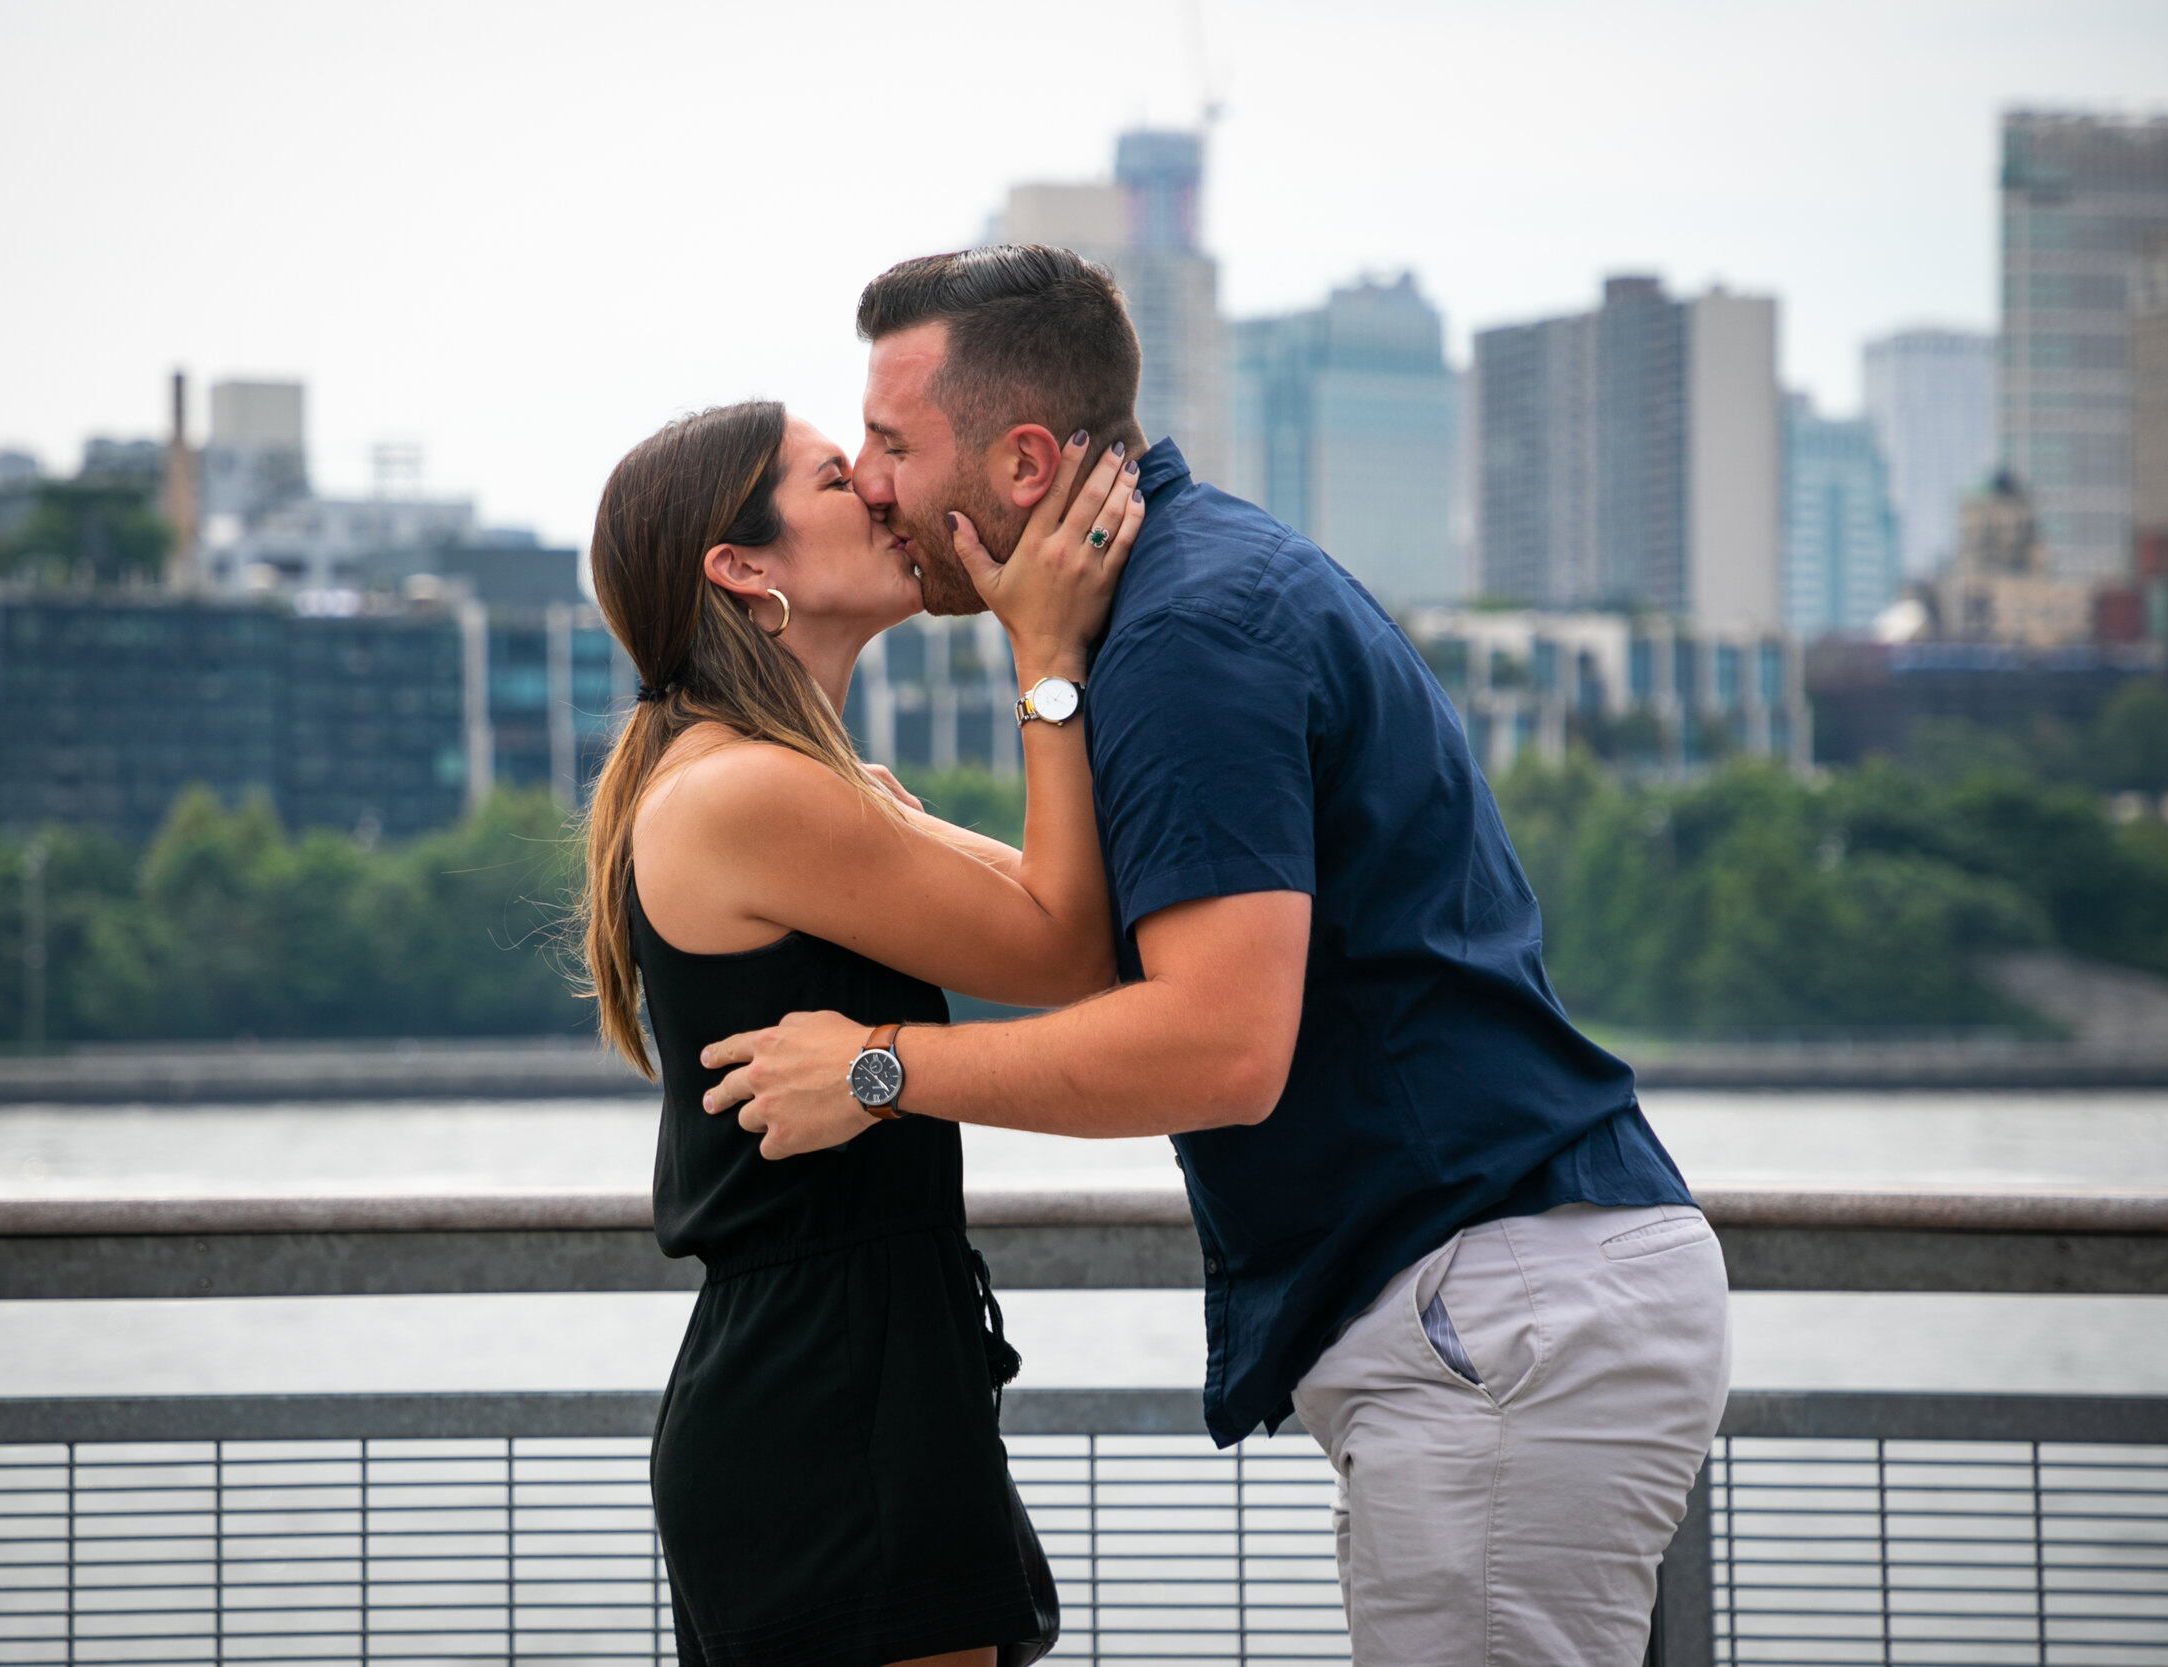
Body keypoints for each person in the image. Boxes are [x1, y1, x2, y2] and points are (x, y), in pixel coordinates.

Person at [699, 246, 1735, 1667]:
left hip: (1490, 1311)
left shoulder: (1188, 636)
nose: (873, 481)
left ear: (1019, 461)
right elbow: (1079, 943)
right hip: (1490, 1304)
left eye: (889, 443)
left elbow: (1219, 1049)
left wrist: (880, 1068)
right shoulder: (1190, 596)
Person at [577, 396, 1145, 1667]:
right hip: (835, 1395)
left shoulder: (774, 778)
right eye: (841, 477)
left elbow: (1063, 924)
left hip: (847, 1375)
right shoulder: (753, 791)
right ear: (743, 566)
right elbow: (1070, 946)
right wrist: (1044, 657)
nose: (883, 494)